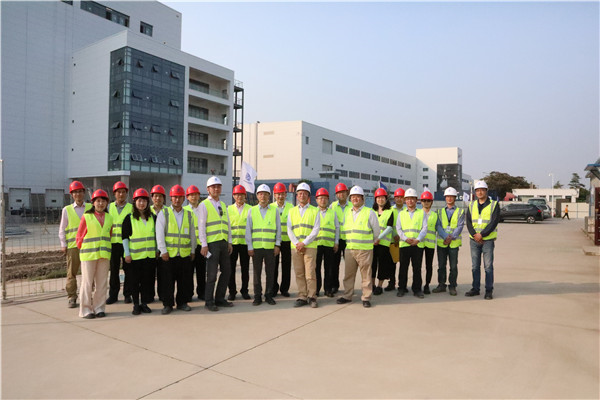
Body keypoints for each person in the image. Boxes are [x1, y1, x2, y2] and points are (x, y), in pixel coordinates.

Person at [336, 186, 380, 308]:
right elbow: (345, 229)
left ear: (362, 198)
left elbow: (376, 231)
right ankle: (347, 295)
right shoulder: (347, 212)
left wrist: (370, 241)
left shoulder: (369, 212)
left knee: (366, 275)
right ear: (350, 199)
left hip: (364, 249)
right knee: (348, 275)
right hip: (350, 249)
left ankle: (366, 297)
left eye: (358, 197)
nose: (355, 199)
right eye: (353, 197)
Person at [156, 185, 196, 314]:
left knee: (183, 281)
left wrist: (193, 250)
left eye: (179, 197)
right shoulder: (164, 213)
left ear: (184, 198)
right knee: (167, 281)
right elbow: (159, 234)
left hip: (184, 254)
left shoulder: (189, 214)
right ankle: (167, 304)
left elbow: (192, 234)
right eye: (175, 197)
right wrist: (163, 251)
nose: (177, 200)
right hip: (169, 255)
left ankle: (182, 303)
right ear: (171, 198)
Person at [76, 189, 113, 319]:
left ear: (107, 203)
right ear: (93, 203)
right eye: (98, 201)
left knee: (102, 283)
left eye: (103, 201)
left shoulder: (109, 218)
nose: (101, 203)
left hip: (104, 255)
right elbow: (79, 237)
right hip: (89, 255)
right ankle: (85, 310)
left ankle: (99, 308)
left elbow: (109, 235)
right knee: (87, 283)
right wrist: (85, 249)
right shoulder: (87, 217)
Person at [198, 176, 233, 312]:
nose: (216, 189)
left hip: (223, 242)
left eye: (218, 186)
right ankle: (209, 301)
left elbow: (227, 224)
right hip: (212, 244)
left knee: (227, 271)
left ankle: (220, 298)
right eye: (213, 187)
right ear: (208, 189)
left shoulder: (223, 205)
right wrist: (204, 244)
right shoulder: (204, 205)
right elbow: (201, 226)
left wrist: (229, 241)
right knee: (212, 274)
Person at [122, 189, 156, 315]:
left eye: (144, 201)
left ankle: (144, 303)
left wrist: (157, 250)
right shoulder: (129, 218)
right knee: (134, 282)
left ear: (147, 202)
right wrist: (127, 253)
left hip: (149, 256)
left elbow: (157, 236)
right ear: (135, 202)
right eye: (139, 201)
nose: (142, 203)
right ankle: (136, 304)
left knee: (147, 282)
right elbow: (125, 237)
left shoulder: (153, 217)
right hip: (134, 257)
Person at [246, 184, 281, 306]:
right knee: (257, 273)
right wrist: (250, 246)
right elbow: (248, 230)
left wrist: (277, 245)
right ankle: (257, 296)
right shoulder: (252, 210)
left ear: (269, 196)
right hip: (256, 248)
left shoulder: (274, 211)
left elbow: (278, 229)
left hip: (270, 247)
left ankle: (269, 295)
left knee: (270, 273)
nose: (263, 196)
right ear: (257, 196)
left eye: (266, 194)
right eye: (261, 194)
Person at [58, 181, 91, 308]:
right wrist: (63, 244)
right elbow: (62, 228)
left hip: (88, 245)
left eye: (80, 191)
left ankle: (88, 295)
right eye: (75, 192)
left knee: (89, 273)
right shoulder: (66, 210)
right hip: (73, 246)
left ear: (84, 193)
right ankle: (72, 297)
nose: (78, 194)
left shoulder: (91, 207)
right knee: (71, 273)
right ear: (72, 194)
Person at [288, 182, 321, 308]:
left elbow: (316, 230)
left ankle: (312, 296)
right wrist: (297, 243)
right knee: (299, 272)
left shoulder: (315, 211)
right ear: (297, 196)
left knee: (310, 273)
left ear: (308, 196)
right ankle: (302, 295)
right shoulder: (292, 211)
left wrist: (304, 243)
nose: (302, 195)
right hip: (296, 247)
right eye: (300, 193)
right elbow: (289, 229)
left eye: (305, 193)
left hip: (310, 246)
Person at [465, 180, 500, 300]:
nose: (479, 192)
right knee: (475, 266)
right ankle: (475, 288)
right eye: (477, 190)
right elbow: (468, 222)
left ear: (486, 191)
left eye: (482, 190)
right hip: (474, 240)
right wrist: (475, 235)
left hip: (487, 240)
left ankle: (489, 290)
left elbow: (494, 222)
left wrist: (482, 235)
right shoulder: (471, 205)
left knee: (488, 266)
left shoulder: (494, 205)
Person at [396, 188, 428, 299]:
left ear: (416, 200)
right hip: (405, 244)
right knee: (403, 268)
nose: (410, 201)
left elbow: (424, 228)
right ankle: (401, 288)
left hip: (417, 245)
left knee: (417, 268)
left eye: (412, 199)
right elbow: (398, 228)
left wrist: (418, 239)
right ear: (405, 200)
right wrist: (405, 238)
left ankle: (417, 289)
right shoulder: (401, 214)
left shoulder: (421, 213)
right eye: (408, 199)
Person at [432, 187, 465, 296]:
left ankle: (452, 286)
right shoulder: (439, 212)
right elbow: (438, 226)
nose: (449, 198)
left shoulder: (460, 211)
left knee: (453, 266)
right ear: (445, 198)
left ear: (455, 198)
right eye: (447, 196)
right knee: (441, 265)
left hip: (453, 244)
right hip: (442, 243)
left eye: (452, 196)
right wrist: (446, 236)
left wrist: (451, 237)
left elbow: (460, 226)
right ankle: (441, 285)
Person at [106, 181, 133, 305]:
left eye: (123, 192)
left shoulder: (131, 208)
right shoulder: (109, 207)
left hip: (127, 244)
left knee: (128, 270)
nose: (121, 194)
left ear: (126, 193)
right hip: (113, 243)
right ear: (114, 194)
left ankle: (127, 294)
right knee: (114, 270)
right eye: (118, 192)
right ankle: (113, 295)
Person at [228, 185, 252, 301]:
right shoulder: (228, 209)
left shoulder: (250, 209)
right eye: (237, 195)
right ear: (233, 196)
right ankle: (232, 292)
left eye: (241, 195)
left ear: (245, 196)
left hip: (245, 244)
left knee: (245, 269)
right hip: (232, 244)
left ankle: (245, 290)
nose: (239, 197)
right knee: (231, 269)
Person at [314, 188, 339, 298]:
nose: (323, 200)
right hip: (316, 244)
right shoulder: (313, 212)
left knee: (329, 269)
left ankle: (328, 289)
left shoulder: (332, 213)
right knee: (316, 269)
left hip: (329, 245)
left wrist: (336, 242)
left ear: (328, 200)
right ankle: (316, 289)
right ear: (316, 200)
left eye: (325, 198)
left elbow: (337, 228)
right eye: (320, 198)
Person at [184, 185, 207, 301]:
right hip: (189, 246)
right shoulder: (184, 210)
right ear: (187, 197)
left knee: (201, 271)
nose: (193, 197)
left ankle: (202, 293)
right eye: (191, 195)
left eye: (195, 194)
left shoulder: (203, 209)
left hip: (201, 245)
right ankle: (188, 293)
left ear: (199, 196)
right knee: (188, 272)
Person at [271, 182, 293, 297]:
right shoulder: (270, 208)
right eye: (278, 194)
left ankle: (284, 289)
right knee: (273, 266)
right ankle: (273, 288)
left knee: (286, 266)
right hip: (274, 242)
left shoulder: (291, 208)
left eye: (282, 194)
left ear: (286, 194)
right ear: (274, 195)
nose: (280, 196)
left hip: (287, 241)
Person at [371, 188, 394, 295]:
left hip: (383, 243)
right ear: (375, 199)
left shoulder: (390, 212)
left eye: (382, 198)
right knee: (372, 265)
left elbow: (389, 228)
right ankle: (372, 285)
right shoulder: (372, 212)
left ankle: (380, 286)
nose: (380, 200)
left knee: (382, 265)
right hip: (372, 244)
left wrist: (378, 238)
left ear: (386, 199)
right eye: (378, 198)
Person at [329, 182, 350, 294]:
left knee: (350, 265)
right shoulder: (332, 206)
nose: (341, 194)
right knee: (334, 264)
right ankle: (334, 285)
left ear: (347, 193)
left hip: (348, 240)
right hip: (336, 240)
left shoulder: (352, 206)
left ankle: (349, 287)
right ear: (336, 194)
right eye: (338, 192)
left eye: (343, 192)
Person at [387, 187, 405, 292]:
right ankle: (391, 283)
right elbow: (388, 225)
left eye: (401, 197)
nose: (399, 199)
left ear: (404, 199)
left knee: (403, 265)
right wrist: (394, 235)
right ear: (394, 199)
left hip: (403, 242)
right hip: (392, 241)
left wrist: (401, 236)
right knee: (391, 265)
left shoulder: (406, 211)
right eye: (397, 197)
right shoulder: (390, 210)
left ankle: (402, 285)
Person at [150, 184, 166, 301]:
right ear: (152, 198)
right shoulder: (147, 211)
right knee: (150, 274)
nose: (158, 198)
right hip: (150, 248)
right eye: (155, 196)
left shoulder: (167, 211)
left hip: (163, 248)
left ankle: (162, 295)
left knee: (163, 274)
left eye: (160, 196)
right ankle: (150, 295)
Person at [420, 190, 437, 295]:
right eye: (424, 200)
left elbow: (438, 228)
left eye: (428, 200)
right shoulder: (417, 214)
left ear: (431, 202)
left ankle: (427, 285)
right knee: (417, 266)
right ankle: (418, 284)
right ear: (421, 202)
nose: (426, 202)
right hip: (419, 243)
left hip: (430, 244)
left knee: (428, 266)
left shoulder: (435, 215)